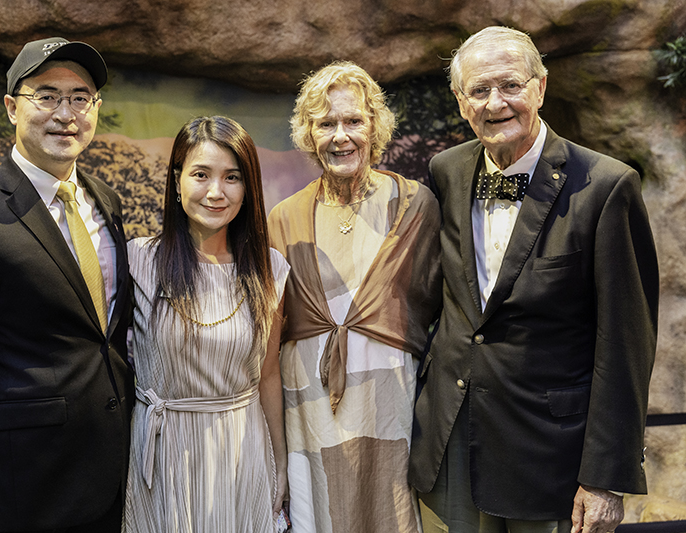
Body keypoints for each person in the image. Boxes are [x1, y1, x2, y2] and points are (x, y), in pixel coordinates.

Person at [408, 26, 659, 533]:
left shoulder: (607, 187)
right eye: (479, 90)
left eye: (510, 86)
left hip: (552, 456)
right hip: (452, 442)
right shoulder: (446, 170)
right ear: (460, 102)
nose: (495, 103)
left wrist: (605, 477)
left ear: (540, 88)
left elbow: (626, 345)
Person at [0, 37, 134, 533]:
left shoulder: (107, 202)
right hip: (27, 484)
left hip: (118, 472)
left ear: (96, 109)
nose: (66, 113)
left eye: (80, 97)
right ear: (12, 108)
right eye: (47, 96)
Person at [268, 61, 442, 533]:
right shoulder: (282, 219)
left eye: (353, 121)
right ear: (308, 133)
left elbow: (445, 311)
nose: (340, 136)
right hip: (308, 410)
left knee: (392, 514)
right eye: (325, 124)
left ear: (375, 127)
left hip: (392, 408)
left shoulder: (416, 206)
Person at [123, 116, 290, 532]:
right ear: (177, 181)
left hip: (241, 452)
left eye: (232, 177)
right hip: (161, 453)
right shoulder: (138, 261)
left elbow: (268, 374)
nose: (216, 192)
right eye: (201, 174)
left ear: (248, 188)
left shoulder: (271, 269)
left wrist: (280, 462)